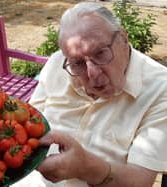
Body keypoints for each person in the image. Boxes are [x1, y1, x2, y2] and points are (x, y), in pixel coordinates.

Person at [12, 1, 167, 187]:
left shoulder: (160, 88)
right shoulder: (57, 64)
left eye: (100, 53)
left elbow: (141, 181)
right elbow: (30, 121)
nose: (93, 74)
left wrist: (85, 167)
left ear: (123, 39)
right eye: (78, 63)